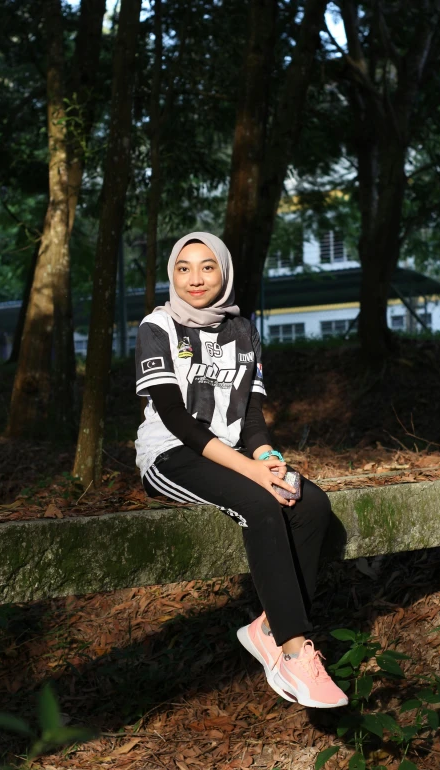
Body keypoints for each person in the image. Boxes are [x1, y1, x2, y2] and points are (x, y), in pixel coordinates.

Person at [134, 231, 347, 709]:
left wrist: (267, 456)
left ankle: (268, 627)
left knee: (310, 502)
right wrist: (251, 473)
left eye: (207, 266)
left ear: (225, 272)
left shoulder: (243, 330)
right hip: (172, 454)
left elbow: (250, 415)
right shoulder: (157, 326)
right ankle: (294, 654)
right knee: (260, 505)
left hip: (234, 453)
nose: (195, 278)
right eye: (183, 267)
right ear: (171, 273)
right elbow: (175, 417)